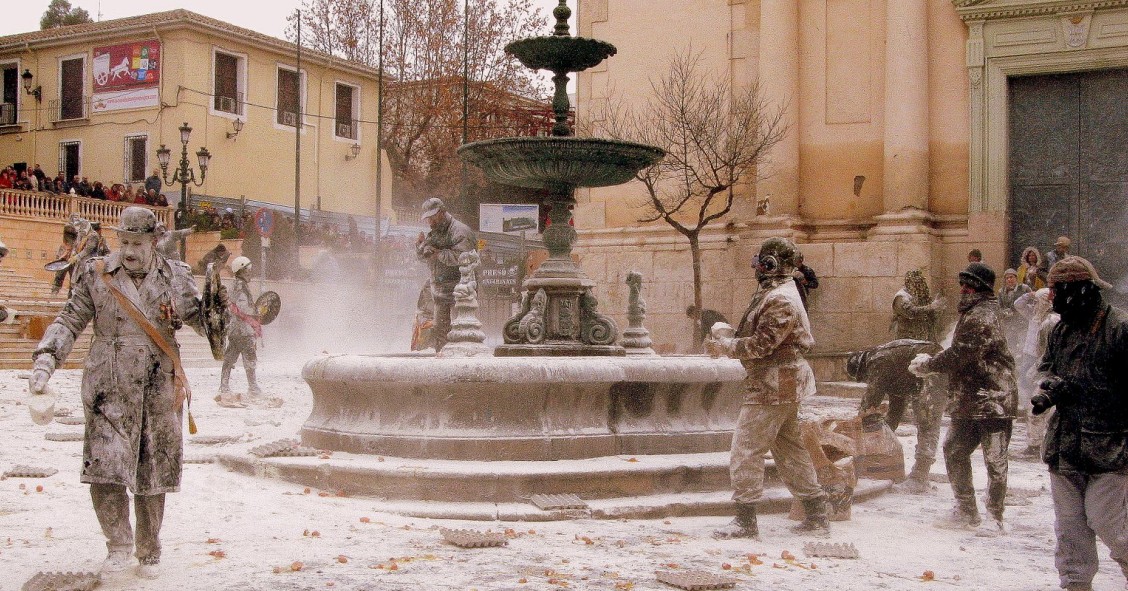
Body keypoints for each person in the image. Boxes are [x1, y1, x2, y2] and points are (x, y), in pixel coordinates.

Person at [29, 206, 216, 580]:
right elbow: (70, 318)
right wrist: (45, 361)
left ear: (155, 241)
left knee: (152, 471)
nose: (129, 251)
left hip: (158, 386)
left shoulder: (175, 277)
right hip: (107, 385)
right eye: (124, 242)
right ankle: (117, 546)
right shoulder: (96, 274)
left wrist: (217, 316)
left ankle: (149, 550)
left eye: (138, 243)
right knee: (106, 467)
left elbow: (203, 325)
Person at [706, 237, 828, 539]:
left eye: (760, 261)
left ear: (771, 264)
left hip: (775, 385)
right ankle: (816, 512)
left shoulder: (781, 299)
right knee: (789, 448)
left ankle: (745, 519)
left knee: (746, 448)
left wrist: (725, 346)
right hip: (778, 383)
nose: (756, 267)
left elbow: (762, 344)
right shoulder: (776, 293)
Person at [1030, 256, 1127, 591]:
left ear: (1079, 290)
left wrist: (1083, 390)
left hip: (1109, 449)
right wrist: (1049, 386)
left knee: (1110, 525)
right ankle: (1075, 585)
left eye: (1057, 290)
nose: (1052, 298)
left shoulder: (1119, 329)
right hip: (1064, 447)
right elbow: (1044, 369)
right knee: (1070, 530)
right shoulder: (1060, 330)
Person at [909, 262, 1018, 535]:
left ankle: (995, 516)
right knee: (955, 450)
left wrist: (928, 365)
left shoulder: (982, 316)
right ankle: (966, 509)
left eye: (968, 285)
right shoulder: (973, 313)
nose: (962, 290)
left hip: (993, 398)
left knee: (995, 459)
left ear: (980, 289)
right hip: (969, 397)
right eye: (962, 284)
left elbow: (961, 354)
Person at [846, 338, 945, 493]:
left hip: (932, 366)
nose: (867, 380)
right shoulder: (892, 366)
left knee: (927, 422)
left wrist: (855, 435)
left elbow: (870, 402)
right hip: (929, 364)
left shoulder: (878, 360)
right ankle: (920, 475)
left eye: (865, 378)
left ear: (862, 368)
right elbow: (896, 410)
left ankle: (920, 477)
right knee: (926, 421)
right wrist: (885, 441)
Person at [416, 197, 475, 353]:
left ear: (441, 212)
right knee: (440, 332)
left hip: (459, 291)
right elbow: (425, 256)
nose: (430, 222)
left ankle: (462, 362)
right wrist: (420, 247)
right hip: (440, 290)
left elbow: (463, 257)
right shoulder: (436, 231)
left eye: (432, 217)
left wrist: (438, 254)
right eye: (427, 218)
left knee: (461, 331)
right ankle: (442, 359)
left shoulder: (460, 231)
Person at [218, 256, 270, 407]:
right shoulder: (240, 287)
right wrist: (257, 311)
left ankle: (224, 385)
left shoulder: (236, 285)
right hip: (243, 330)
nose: (250, 272)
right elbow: (241, 308)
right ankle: (252, 387)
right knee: (249, 358)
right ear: (242, 270)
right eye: (248, 269)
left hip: (235, 329)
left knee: (230, 358)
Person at [1013, 287, 1059, 458]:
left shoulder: (1051, 322)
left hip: (1052, 374)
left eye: (1038, 301)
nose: (1035, 305)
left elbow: (1050, 352)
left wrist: (1036, 369)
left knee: (1037, 409)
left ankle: (1036, 447)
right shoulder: (1042, 319)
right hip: (1048, 371)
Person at [891, 269, 943, 341]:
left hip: (922, 337)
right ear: (908, 282)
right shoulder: (901, 296)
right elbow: (911, 312)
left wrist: (937, 309)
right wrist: (931, 306)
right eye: (916, 282)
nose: (919, 285)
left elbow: (929, 316)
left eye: (921, 282)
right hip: (906, 339)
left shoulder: (920, 295)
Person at [997, 268, 1032, 353]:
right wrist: (1005, 313)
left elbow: (1031, 302)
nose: (1009, 279)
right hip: (1008, 322)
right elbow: (999, 306)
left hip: (1022, 321)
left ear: (1016, 278)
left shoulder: (1024, 288)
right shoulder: (1001, 291)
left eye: (1011, 277)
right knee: (1010, 345)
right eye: (1007, 278)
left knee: (1023, 344)